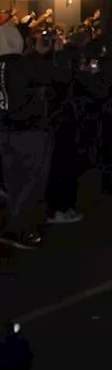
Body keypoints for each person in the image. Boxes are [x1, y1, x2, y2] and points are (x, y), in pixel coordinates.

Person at [0, 20, 64, 249]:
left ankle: (13, 224)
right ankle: (20, 227)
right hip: (30, 131)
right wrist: (50, 54)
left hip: (4, 130)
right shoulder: (25, 65)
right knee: (33, 180)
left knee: (13, 180)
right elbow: (58, 77)